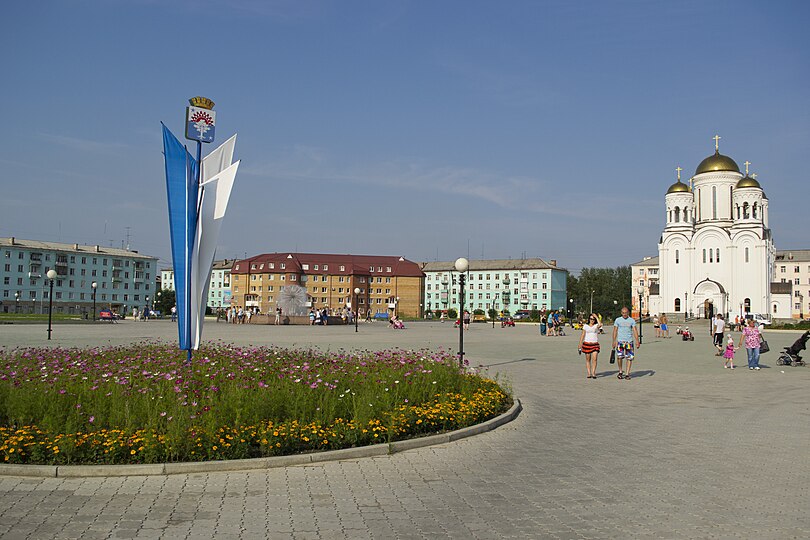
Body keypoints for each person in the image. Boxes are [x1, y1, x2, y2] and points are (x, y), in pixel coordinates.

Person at [612, 306, 641, 380]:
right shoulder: (618, 320)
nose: (624, 314)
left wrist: (637, 341)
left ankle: (627, 373)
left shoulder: (631, 320)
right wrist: (614, 341)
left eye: (626, 313)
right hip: (620, 341)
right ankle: (620, 371)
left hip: (629, 342)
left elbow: (635, 330)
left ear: (628, 313)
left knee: (629, 358)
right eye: (623, 313)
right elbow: (615, 330)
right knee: (619, 357)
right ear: (621, 313)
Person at [579, 313, 602, 379]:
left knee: (594, 359)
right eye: (591, 319)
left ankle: (593, 373)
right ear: (589, 319)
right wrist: (580, 344)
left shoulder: (596, 326)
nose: (592, 320)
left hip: (595, 344)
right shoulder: (585, 326)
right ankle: (589, 373)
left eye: (593, 319)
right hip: (587, 343)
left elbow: (600, 324)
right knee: (588, 359)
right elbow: (582, 335)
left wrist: (596, 317)